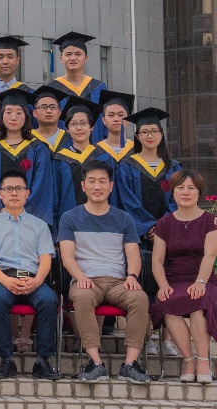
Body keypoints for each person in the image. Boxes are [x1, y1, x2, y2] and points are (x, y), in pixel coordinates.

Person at [57, 159, 150, 383]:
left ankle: (130, 364)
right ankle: (95, 362)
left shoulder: (124, 218)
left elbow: (133, 256)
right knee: (83, 296)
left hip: (118, 282)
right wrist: (80, 277)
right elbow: (67, 257)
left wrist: (132, 276)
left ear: (111, 186)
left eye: (102, 181)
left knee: (139, 298)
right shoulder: (70, 218)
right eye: (92, 181)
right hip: (86, 279)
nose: (97, 186)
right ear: (83, 186)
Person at [151, 169, 217, 383]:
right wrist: (163, 285)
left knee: (199, 303)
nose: (186, 192)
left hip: (204, 280)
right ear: (173, 193)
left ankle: (203, 361)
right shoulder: (164, 224)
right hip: (174, 280)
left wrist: (200, 282)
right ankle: (188, 361)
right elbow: (157, 261)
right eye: (180, 188)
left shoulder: (210, 221)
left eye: (191, 188)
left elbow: (210, 255)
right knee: (167, 303)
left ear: (199, 193)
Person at [0, 170, 61, 380]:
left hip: (33, 278)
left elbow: (46, 259)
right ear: (0, 194)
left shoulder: (40, 225)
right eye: (9, 189)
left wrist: (37, 281)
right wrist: (5, 280)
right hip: (4, 279)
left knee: (48, 300)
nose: (14, 193)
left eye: (19, 189)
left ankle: (43, 361)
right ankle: (6, 360)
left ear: (28, 193)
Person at [0, 91, 62, 228]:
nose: (13, 117)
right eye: (8, 112)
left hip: (30, 222)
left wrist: (22, 213)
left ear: (26, 117)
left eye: (19, 113)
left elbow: (42, 186)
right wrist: (0, 210)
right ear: (1, 116)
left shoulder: (38, 149)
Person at [115, 107, 182, 239]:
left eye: (154, 131)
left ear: (161, 134)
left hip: (169, 235)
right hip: (137, 236)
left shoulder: (174, 167)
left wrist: (162, 227)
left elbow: (178, 200)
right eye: (144, 132)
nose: (150, 136)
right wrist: (147, 227)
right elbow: (126, 200)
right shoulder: (126, 166)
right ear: (137, 136)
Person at [54, 97, 107, 209]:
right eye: (73, 124)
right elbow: (55, 195)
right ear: (67, 129)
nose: (79, 128)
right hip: (68, 217)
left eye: (83, 123)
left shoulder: (103, 157)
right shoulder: (60, 159)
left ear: (92, 127)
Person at [46, 31, 107, 106]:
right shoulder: (52, 88)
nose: (73, 58)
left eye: (78, 54)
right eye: (68, 54)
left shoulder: (98, 87)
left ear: (86, 58)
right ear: (61, 59)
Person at [94, 89, 136, 162]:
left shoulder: (138, 151)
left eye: (120, 115)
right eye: (111, 115)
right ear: (103, 120)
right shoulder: (95, 152)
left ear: (128, 119)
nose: (116, 119)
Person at [29, 84, 68, 152]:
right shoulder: (27, 139)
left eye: (53, 107)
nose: (49, 111)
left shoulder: (69, 139)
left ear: (59, 112)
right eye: (43, 107)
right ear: (34, 113)